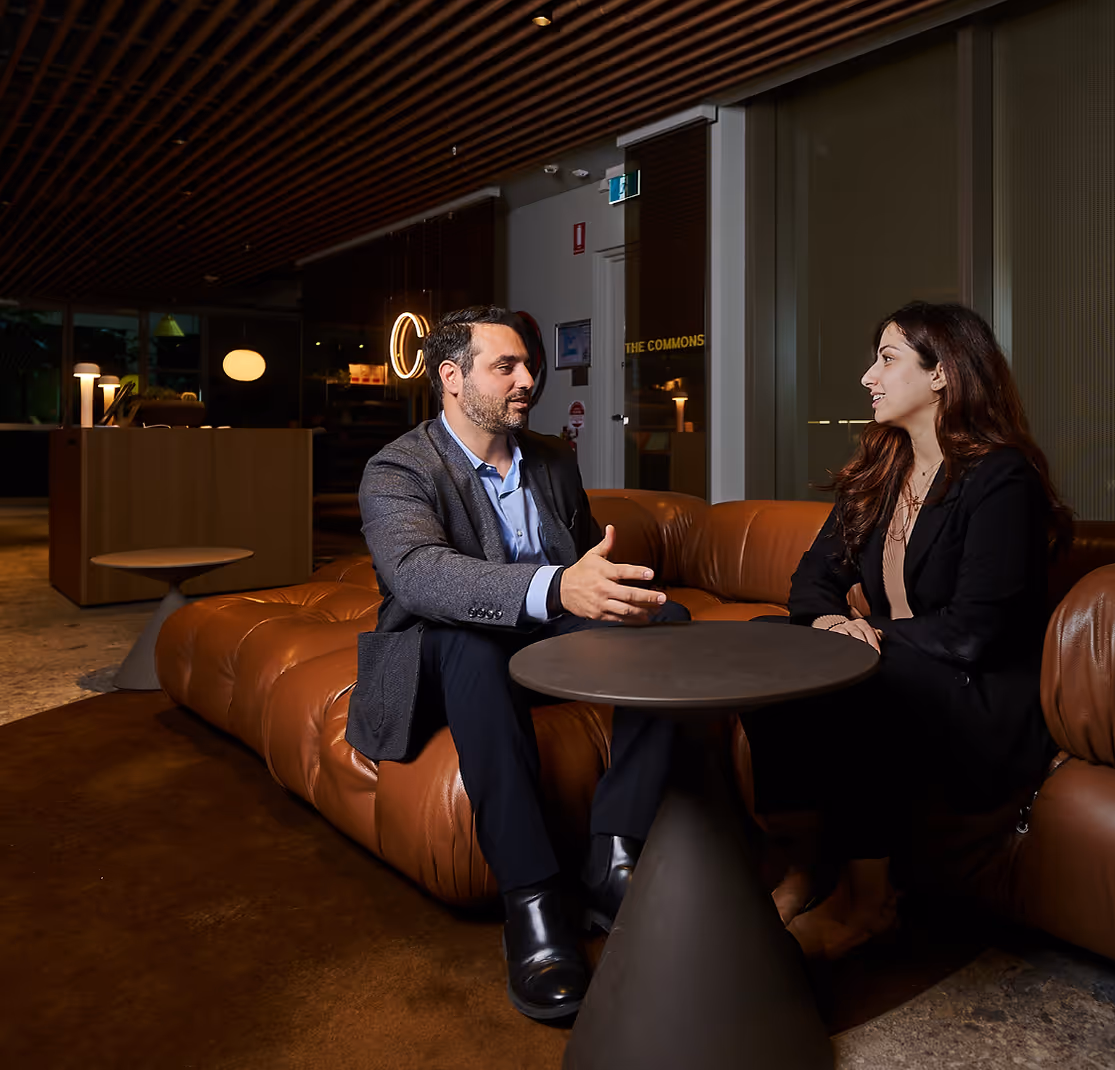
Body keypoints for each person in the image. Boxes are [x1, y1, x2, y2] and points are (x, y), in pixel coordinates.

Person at [348, 305, 688, 1023]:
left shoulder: (553, 459)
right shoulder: (399, 467)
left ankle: (614, 852)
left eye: (529, 365)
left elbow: (583, 563)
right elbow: (419, 575)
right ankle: (533, 900)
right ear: (452, 377)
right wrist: (559, 587)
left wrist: (602, 587)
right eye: (506, 367)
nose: (528, 379)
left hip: (542, 635)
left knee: (665, 623)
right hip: (442, 648)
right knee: (471, 643)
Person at [741, 300, 1073, 960]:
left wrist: (866, 635)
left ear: (942, 372)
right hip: (905, 669)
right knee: (765, 643)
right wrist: (831, 621)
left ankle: (866, 904)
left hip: (979, 697)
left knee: (859, 676)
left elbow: (975, 631)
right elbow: (811, 580)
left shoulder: (1001, 476)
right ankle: (805, 865)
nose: (868, 377)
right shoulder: (881, 471)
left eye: (887, 359)